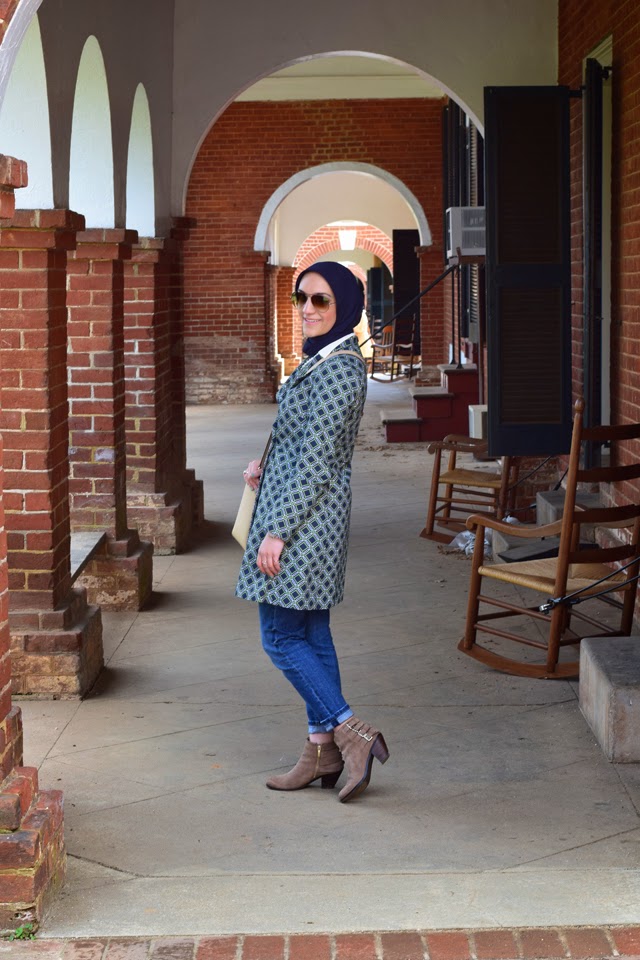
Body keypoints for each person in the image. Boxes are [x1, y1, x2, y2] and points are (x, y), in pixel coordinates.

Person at [235, 261, 389, 803]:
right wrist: (267, 464)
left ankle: (350, 733)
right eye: (302, 297)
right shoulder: (321, 359)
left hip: (304, 527)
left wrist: (277, 531)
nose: (307, 308)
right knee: (311, 635)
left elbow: (320, 463)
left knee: (279, 637)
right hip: (301, 514)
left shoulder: (340, 370)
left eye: (320, 300)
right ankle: (321, 750)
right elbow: (302, 443)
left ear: (344, 306)